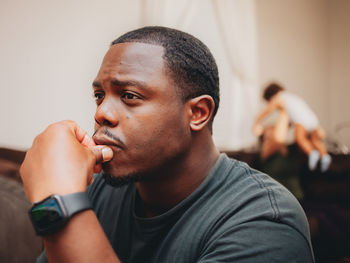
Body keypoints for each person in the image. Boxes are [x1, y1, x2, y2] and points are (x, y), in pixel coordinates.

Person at [20, 27, 314, 263]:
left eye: (130, 95)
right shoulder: (99, 189)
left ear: (197, 113)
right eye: (99, 95)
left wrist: (58, 199)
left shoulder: (264, 221)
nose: (101, 113)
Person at [253, 83, 332, 172]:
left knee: (301, 138)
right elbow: (280, 136)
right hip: (312, 119)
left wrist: (257, 121)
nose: (273, 128)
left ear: (271, 97)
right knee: (312, 140)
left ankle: (316, 153)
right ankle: (322, 155)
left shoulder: (279, 98)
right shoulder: (292, 98)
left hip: (302, 121)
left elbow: (268, 111)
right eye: (269, 129)